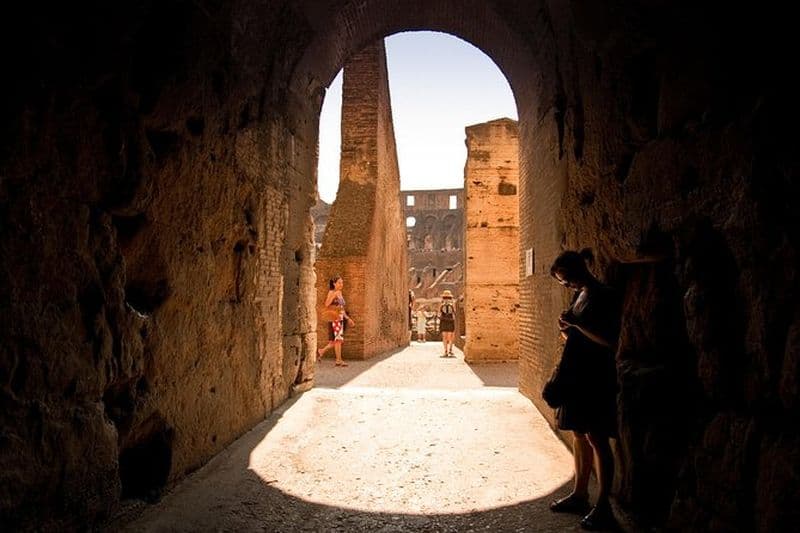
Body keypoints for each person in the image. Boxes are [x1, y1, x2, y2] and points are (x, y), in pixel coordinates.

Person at [547, 249, 621, 531]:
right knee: (579, 433)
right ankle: (580, 494)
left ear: (578, 270)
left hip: (597, 374)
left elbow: (610, 340)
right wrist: (567, 329)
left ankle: (604, 506)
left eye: (566, 279)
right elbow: (579, 335)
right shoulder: (580, 295)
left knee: (598, 438)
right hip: (577, 373)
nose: (565, 285)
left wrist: (578, 324)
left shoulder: (604, 295)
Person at [317, 275, 355, 367]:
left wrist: (348, 318)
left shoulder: (340, 292)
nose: (341, 284)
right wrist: (335, 294)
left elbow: (342, 307)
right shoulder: (331, 292)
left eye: (342, 282)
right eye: (339, 282)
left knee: (333, 342)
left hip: (340, 318)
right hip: (335, 319)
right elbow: (326, 304)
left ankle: (321, 351)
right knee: (338, 340)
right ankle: (338, 360)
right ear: (334, 284)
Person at [438, 289, 456, 357]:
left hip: (447, 321)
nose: (447, 299)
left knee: (449, 337)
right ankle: (446, 350)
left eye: (448, 298)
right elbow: (439, 312)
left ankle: (450, 349)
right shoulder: (442, 304)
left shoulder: (452, 304)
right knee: (446, 336)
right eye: (445, 298)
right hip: (447, 321)